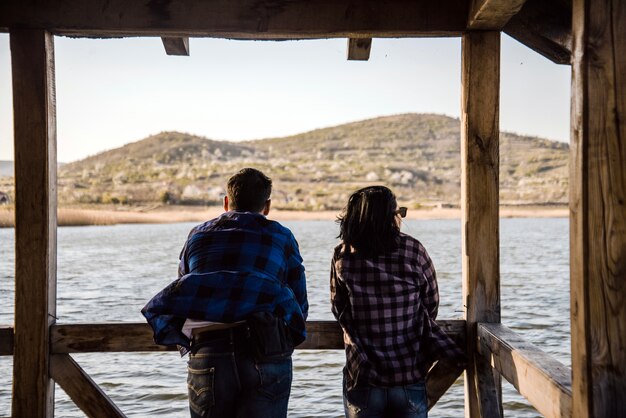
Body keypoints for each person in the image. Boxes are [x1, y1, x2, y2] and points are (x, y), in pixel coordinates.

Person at [142, 168, 308, 418]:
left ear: (226, 202)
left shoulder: (197, 235)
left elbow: (184, 288)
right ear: (267, 206)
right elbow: (299, 303)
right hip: (265, 348)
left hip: (209, 351)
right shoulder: (280, 235)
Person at [330, 186, 464, 418]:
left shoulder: (343, 254)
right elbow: (431, 302)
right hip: (408, 372)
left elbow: (338, 307)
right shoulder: (413, 250)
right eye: (398, 212)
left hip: (364, 374)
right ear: (389, 217)